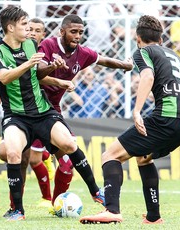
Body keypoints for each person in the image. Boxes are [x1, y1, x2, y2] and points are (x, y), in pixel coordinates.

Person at [79, 15, 180, 225]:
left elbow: (147, 76)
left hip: (165, 118)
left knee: (110, 155)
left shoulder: (144, 52)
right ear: (161, 39)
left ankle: (111, 210)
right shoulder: (176, 57)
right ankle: (153, 217)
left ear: (138, 39)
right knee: (144, 158)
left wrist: (137, 111)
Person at [0, 6, 106, 221]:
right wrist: (27, 65)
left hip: (43, 112)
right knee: (13, 154)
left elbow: (38, 74)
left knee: (70, 144)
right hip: (16, 116)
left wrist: (52, 71)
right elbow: (4, 77)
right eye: (25, 25)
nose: (30, 30)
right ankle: (17, 210)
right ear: (11, 27)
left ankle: (97, 192)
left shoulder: (32, 44)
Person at [36, 13, 133, 211]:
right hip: (32, 106)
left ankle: (60, 204)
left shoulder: (82, 53)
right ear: (62, 31)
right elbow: (37, 73)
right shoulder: (48, 45)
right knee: (22, 157)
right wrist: (53, 67)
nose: (78, 36)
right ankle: (16, 207)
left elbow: (103, 60)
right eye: (73, 32)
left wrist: (125, 65)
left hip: (52, 110)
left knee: (67, 157)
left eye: (81, 32)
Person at [0, 17, 60, 212]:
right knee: (8, 154)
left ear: (43, 35)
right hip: (20, 112)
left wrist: (60, 81)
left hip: (45, 111)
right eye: (28, 28)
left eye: (36, 30)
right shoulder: (19, 50)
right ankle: (16, 205)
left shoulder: (45, 50)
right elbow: (15, 79)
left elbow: (40, 78)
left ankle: (48, 199)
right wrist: (0, 95)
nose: (32, 33)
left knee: (32, 159)